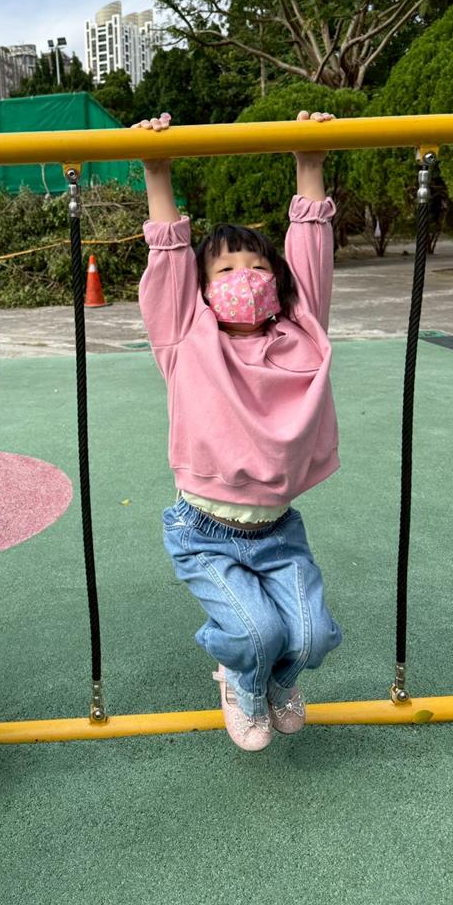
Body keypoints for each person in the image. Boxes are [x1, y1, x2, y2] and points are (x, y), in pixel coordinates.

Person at [137, 110, 342, 751]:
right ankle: (241, 677)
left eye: (256, 267)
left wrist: (310, 162)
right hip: (204, 531)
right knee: (256, 634)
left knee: (311, 639)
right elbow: (168, 257)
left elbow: (310, 256)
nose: (244, 279)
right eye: (224, 271)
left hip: (278, 530)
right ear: (200, 291)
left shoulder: (301, 332)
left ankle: (274, 678)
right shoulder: (185, 338)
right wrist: (157, 169)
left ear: (277, 283)